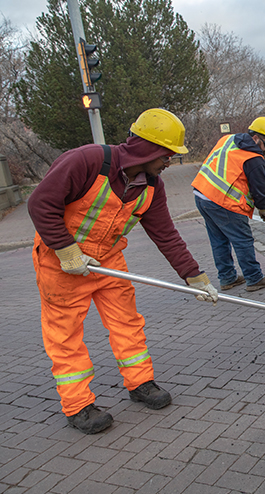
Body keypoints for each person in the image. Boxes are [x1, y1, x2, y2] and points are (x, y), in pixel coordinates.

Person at [28, 108, 219, 435]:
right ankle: (78, 405)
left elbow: (166, 234)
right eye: (167, 155)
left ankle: (140, 383)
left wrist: (194, 276)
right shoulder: (87, 161)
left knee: (127, 323)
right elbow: (40, 204)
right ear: (149, 149)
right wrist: (66, 250)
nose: (169, 162)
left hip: (108, 263)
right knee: (66, 337)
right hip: (61, 263)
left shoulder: (151, 186)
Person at [191, 116, 265, 292]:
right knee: (242, 239)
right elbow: (259, 188)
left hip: (201, 194)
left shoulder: (228, 139)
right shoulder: (254, 158)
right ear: (255, 138)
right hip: (222, 202)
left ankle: (227, 278)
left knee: (219, 240)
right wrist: (263, 209)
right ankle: (254, 278)